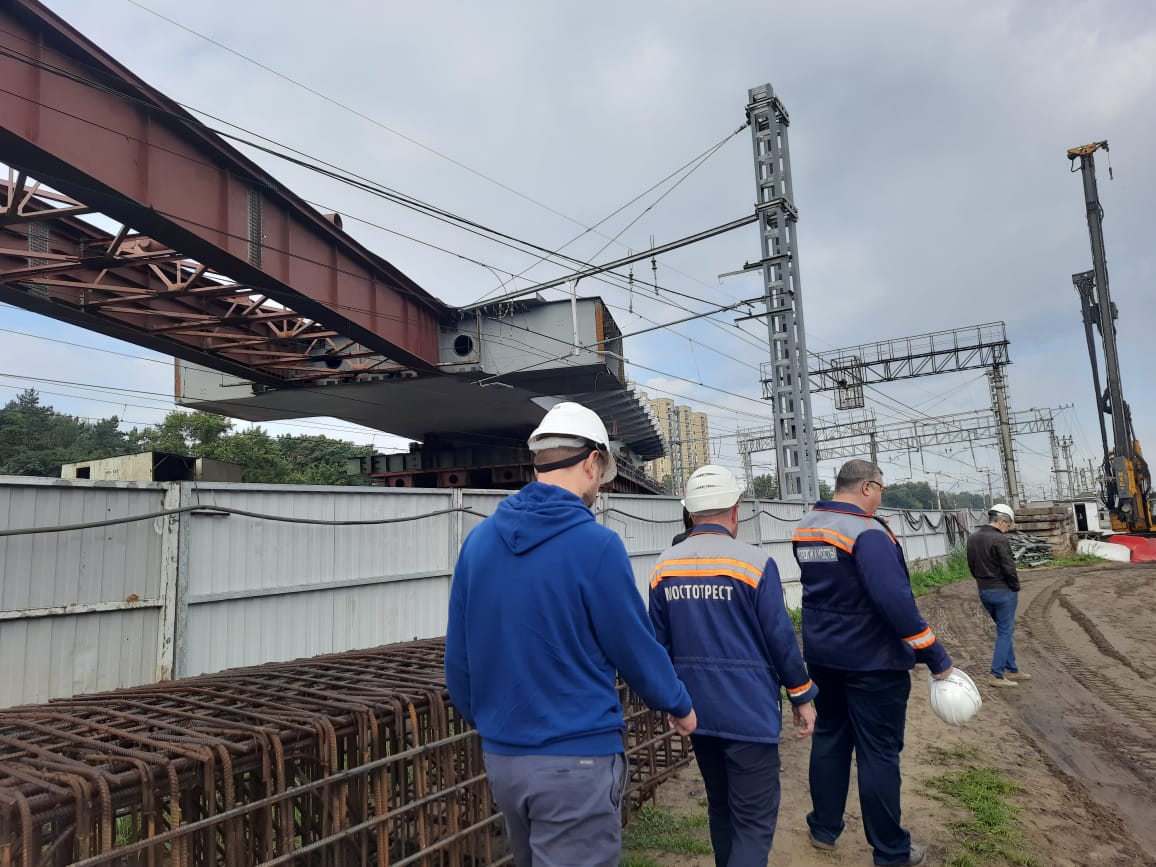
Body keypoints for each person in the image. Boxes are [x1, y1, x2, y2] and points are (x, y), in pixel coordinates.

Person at [444, 401, 697, 867]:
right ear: (591, 463)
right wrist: (677, 703)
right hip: (577, 761)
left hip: (504, 761)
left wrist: (494, 723)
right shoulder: (596, 545)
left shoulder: (477, 543)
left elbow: (458, 662)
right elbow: (633, 646)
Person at [649, 464, 817, 867]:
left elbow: (657, 645)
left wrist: (672, 702)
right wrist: (801, 696)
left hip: (695, 712)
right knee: (754, 822)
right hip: (748, 714)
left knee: (720, 808)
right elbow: (780, 641)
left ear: (689, 512)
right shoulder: (754, 564)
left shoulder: (664, 566)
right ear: (736, 509)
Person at [792, 460, 954, 867]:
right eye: (881, 489)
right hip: (873, 663)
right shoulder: (868, 532)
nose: (882, 498)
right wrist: (935, 656)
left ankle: (823, 828)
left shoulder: (808, 525)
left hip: (825, 658)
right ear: (867, 487)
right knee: (878, 754)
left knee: (829, 739)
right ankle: (891, 850)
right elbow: (895, 603)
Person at [966, 504, 1029, 687]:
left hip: (984, 590)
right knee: (1005, 632)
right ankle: (997, 674)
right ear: (1001, 521)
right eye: (1007, 525)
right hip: (1003, 592)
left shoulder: (973, 538)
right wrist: (1015, 586)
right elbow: (1008, 567)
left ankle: (1013, 669)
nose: (1007, 529)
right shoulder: (999, 540)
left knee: (1004, 630)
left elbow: (972, 566)